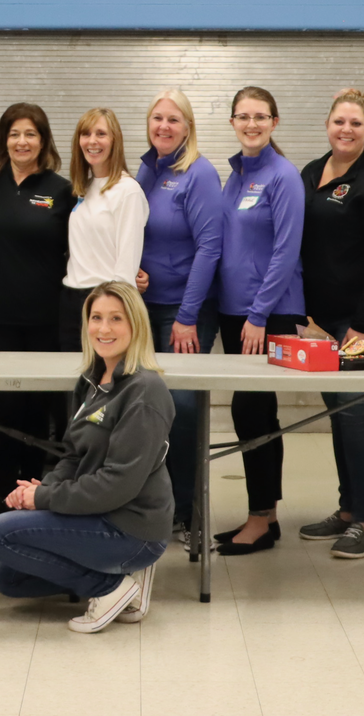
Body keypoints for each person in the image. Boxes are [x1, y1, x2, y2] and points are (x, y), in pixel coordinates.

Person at [0, 280, 173, 634]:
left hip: (130, 525)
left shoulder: (145, 391)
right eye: (96, 317)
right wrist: (41, 492)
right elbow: (71, 455)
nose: (103, 328)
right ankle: (120, 576)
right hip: (97, 513)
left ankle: (111, 587)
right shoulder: (91, 380)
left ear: (136, 325)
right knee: (10, 579)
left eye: (116, 318)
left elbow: (117, 485)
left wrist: (45, 497)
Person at [297, 88, 364, 559]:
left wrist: (362, 324)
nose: (346, 130)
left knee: (357, 412)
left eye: (356, 124)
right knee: (339, 413)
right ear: (327, 125)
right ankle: (346, 510)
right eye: (339, 122)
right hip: (325, 321)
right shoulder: (309, 173)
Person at [211, 87, 307, 556]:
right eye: (243, 117)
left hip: (267, 313)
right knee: (251, 412)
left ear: (274, 121)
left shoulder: (283, 176)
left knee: (253, 411)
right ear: (232, 122)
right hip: (235, 313)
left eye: (260, 117)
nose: (252, 124)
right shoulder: (234, 176)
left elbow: (286, 252)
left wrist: (258, 314)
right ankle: (263, 516)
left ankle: (260, 519)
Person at [0, 103, 74, 505]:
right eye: (14, 134)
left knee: (38, 410)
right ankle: (2, 490)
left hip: (44, 316)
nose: (22, 141)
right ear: (4, 140)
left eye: (30, 133)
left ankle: (32, 492)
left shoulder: (61, 189)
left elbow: (80, 246)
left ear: (43, 140)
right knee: (1, 407)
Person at [132, 89, 221, 544]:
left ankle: (187, 512)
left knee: (182, 410)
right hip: (143, 309)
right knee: (146, 411)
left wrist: (187, 316)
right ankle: (153, 507)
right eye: (157, 119)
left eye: (173, 120)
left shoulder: (199, 173)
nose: (164, 126)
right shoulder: (147, 169)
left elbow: (210, 246)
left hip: (184, 313)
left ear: (188, 127)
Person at [61, 108, 147, 352]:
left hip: (105, 302)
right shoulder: (83, 189)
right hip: (71, 299)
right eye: (86, 134)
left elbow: (127, 262)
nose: (92, 141)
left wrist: (114, 314)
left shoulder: (127, 191)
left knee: (105, 385)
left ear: (115, 140)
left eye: (101, 134)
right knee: (72, 386)